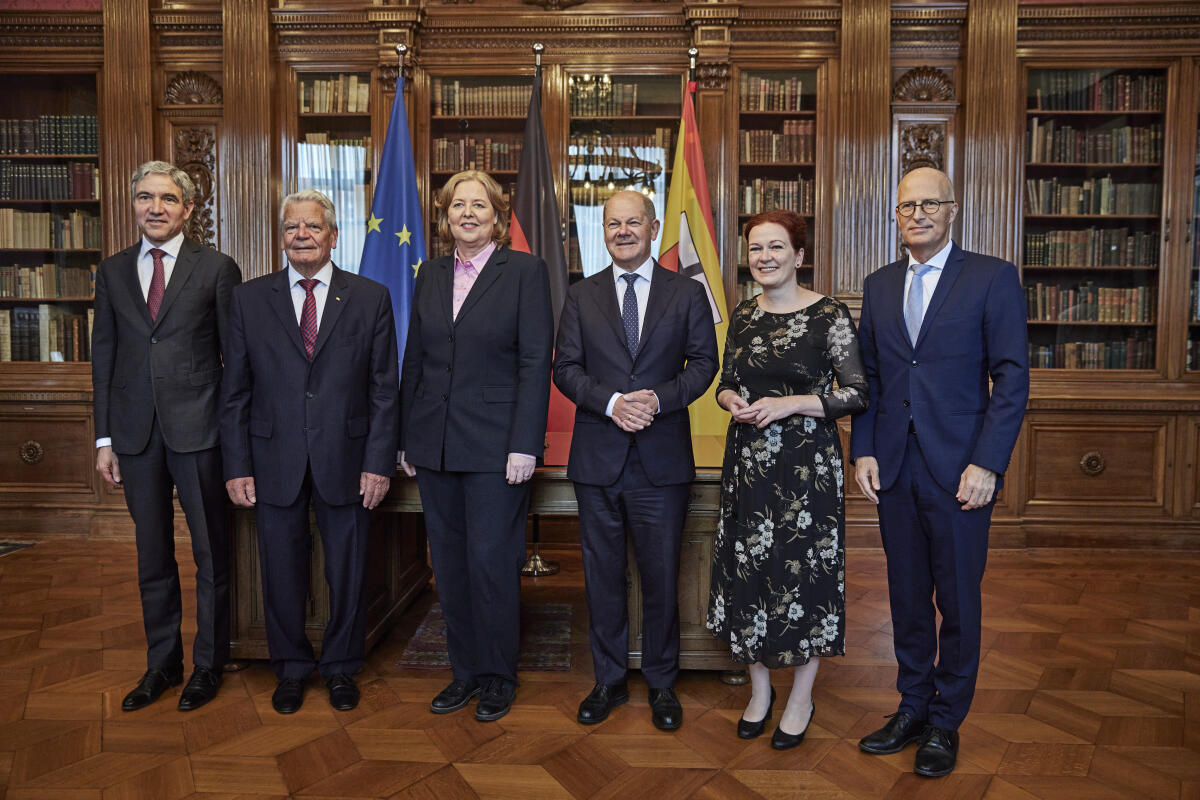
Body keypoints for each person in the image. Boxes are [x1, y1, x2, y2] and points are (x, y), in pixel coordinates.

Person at [850, 167, 1029, 777]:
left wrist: (988, 462)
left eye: (931, 204)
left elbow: (1011, 379)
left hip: (962, 471)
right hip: (895, 468)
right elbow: (871, 379)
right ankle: (912, 706)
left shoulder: (991, 277)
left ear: (953, 211)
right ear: (895, 216)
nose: (918, 214)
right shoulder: (877, 286)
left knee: (956, 600)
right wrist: (865, 449)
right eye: (907, 206)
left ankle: (947, 721)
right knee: (905, 597)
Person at [220, 189, 399, 715]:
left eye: (313, 227)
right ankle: (291, 668)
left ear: (333, 236)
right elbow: (235, 391)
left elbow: (385, 389)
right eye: (293, 228)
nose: (302, 235)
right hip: (272, 459)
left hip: (347, 459)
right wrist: (237, 466)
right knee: (280, 572)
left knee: (347, 571)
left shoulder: (370, 297)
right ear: (281, 238)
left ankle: (342, 667)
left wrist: (378, 462)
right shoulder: (249, 299)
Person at [553, 189, 719, 731]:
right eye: (612, 224)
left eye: (633, 223)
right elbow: (566, 369)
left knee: (661, 575)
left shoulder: (685, 292)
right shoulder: (581, 295)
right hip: (598, 458)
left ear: (653, 228)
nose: (622, 231)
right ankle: (608, 681)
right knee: (602, 577)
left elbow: (704, 363)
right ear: (603, 232)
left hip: (661, 459)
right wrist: (612, 403)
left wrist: (658, 400)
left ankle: (663, 684)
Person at [706, 210, 867, 749]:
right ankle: (759, 690)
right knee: (748, 572)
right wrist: (732, 400)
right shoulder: (744, 315)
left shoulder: (830, 315)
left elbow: (857, 392)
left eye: (776, 247)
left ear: (799, 256)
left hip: (807, 471)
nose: (765, 257)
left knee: (806, 576)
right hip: (748, 465)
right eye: (756, 249)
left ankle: (801, 695)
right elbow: (726, 382)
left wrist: (792, 404)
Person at [398, 169, 553, 722]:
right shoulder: (432, 274)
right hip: (435, 446)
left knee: (492, 564)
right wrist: (406, 437)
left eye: (479, 206)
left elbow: (537, 362)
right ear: (444, 217)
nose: (467, 213)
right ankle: (463, 673)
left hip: (496, 448)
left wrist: (524, 445)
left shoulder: (525, 272)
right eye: (457, 206)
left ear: (498, 216)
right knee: (452, 566)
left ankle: (497, 676)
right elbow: (415, 357)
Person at [92, 161, 241, 713]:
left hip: (201, 432)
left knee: (211, 554)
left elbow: (236, 360)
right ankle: (162, 664)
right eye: (145, 198)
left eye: (168, 198)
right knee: (151, 555)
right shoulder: (110, 272)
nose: (155, 207)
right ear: (132, 205)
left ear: (188, 208)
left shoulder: (217, 268)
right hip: (134, 436)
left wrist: (235, 437)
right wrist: (104, 438)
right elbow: (103, 356)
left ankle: (208, 665)